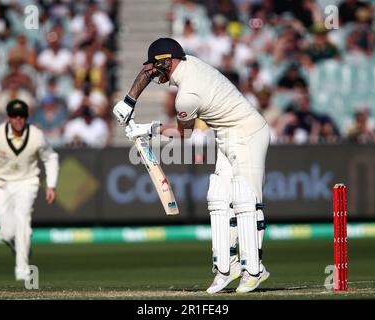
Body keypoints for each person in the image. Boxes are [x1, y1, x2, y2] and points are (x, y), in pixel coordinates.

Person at [113, 38, 271, 293]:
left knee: (246, 199)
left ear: (167, 62)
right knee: (218, 198)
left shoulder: (187, 96)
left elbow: (183, 135)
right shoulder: (188, 65)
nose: (151, 73)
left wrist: (146, 129)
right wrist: (128, 102)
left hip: (249, 133)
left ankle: (254, 270)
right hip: (227, 135)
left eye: (155, 67)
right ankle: (226, 268)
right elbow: (146, 71)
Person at [0, 99, 59, 281]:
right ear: (8, 117)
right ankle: (21, 243)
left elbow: (51, 158)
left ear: (26, 118)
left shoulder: (36, 135)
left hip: (27, 183)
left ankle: (22, 269)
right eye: (14, 116)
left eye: (22, 116)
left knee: (22, 220)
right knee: (6, 233)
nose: (18, 120)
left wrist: (51, 185)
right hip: (2, 185)